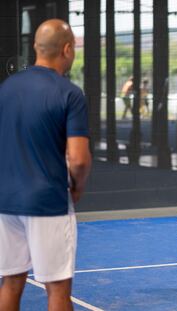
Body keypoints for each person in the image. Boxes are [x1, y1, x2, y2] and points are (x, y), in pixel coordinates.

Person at [0, 19, 91, 311]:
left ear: (36, 47)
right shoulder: (70, 93)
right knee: (58, 289)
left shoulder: (6, 89)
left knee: (11, 282)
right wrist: (76, 187)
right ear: (66, 49)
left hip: (5, 201)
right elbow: (78, 158)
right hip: (48, 202)